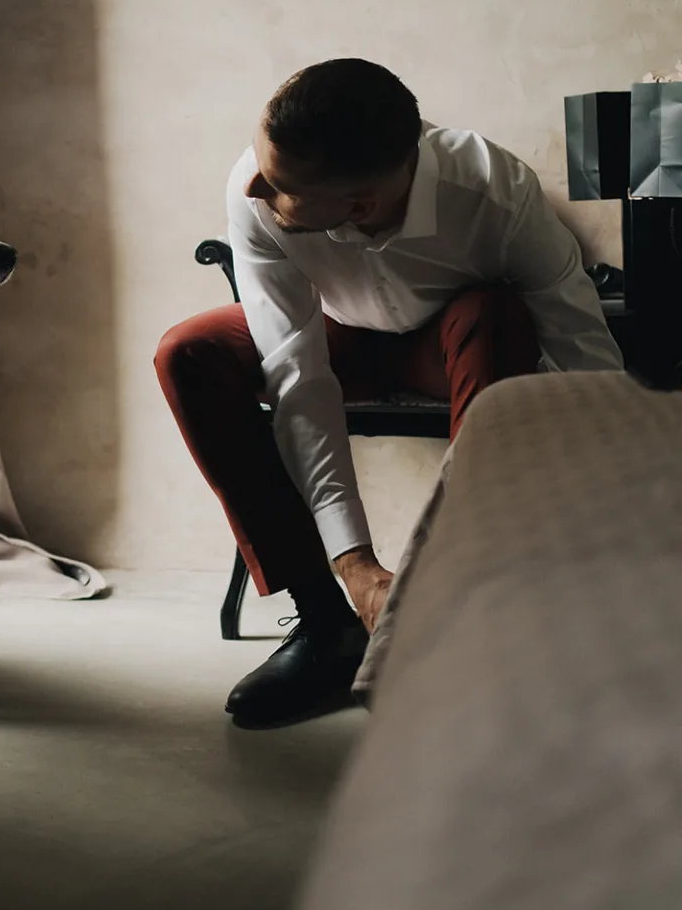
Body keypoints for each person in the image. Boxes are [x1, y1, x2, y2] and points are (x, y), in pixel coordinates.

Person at [156, 58, 624, 727]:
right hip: (334, 338)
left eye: (279, 183)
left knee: (496, 315)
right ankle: (327, 626)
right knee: (189, 351)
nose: (252, 184)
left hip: (446, 344)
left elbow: (583, 352)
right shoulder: (254, 188)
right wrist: (356, 566)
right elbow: (297, 374)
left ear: (362, 202)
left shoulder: (494, 190)